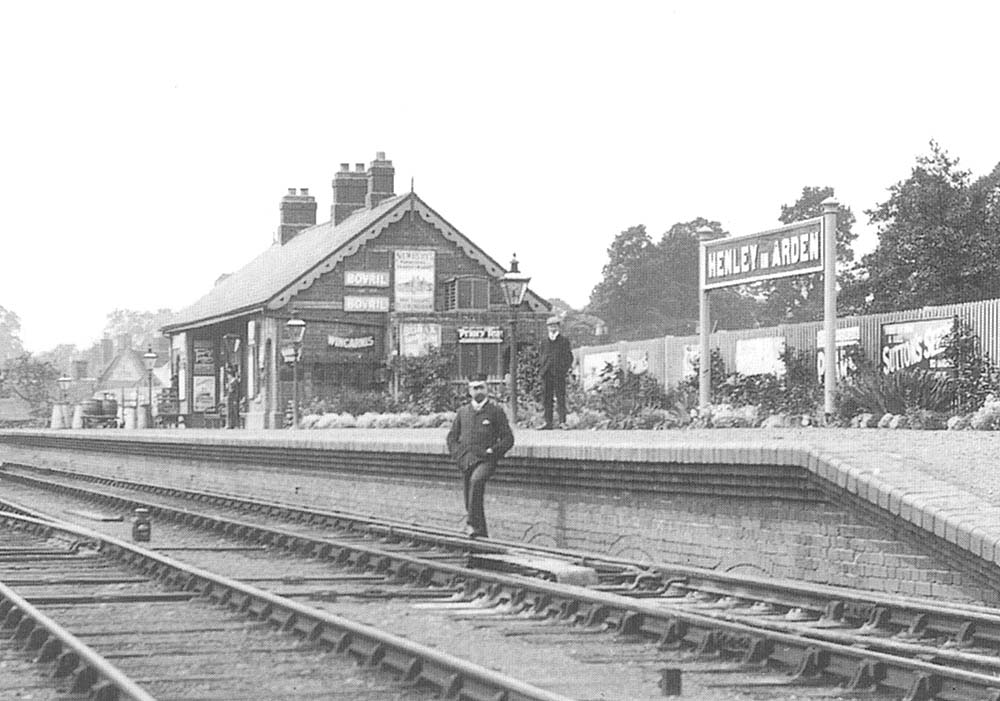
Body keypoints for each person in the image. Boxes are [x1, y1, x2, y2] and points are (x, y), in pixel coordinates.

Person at [446, 374, 514, 538]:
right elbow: (452, 438)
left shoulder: (495, 411)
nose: (478, 391)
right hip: (466, 459)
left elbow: (508, 438)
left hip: (486, 460)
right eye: (475, 388)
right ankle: (480, 533)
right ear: (469, 391)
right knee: (468, 494)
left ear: (487, 389)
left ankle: (472, 525)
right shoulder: (463, 412)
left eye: (481, 387)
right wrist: (458, 455)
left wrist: (494, 451)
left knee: (476, 482)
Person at [539, 315, 573, 429]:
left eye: (554, 325)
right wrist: (543, 368)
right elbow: (541, 355)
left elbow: (569, 357)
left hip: (559, 373)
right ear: (547, 328)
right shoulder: (544, 341)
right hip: (547, 373)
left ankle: (562, 422)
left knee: (560, 397)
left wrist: (563, 369)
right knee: (547, 398)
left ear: (558, 327)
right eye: (550, 326)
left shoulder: (564, 341)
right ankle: (548, 422)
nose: (552, 328)